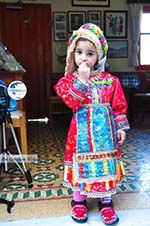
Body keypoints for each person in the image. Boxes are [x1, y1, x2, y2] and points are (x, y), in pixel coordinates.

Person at [54, 23, 130, 225]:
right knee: (79, 166)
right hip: (79, 137)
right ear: (72, 54)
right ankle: (79, 201)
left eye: (90, 53)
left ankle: (106, 202)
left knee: (106, 166)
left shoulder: (111, 82)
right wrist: (82, 80)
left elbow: (119, 106)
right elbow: (72, 101)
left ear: (99, 57)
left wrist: (121, 127)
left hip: (107, 136)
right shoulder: (67, 82)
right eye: (79, 52)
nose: (84, 58)